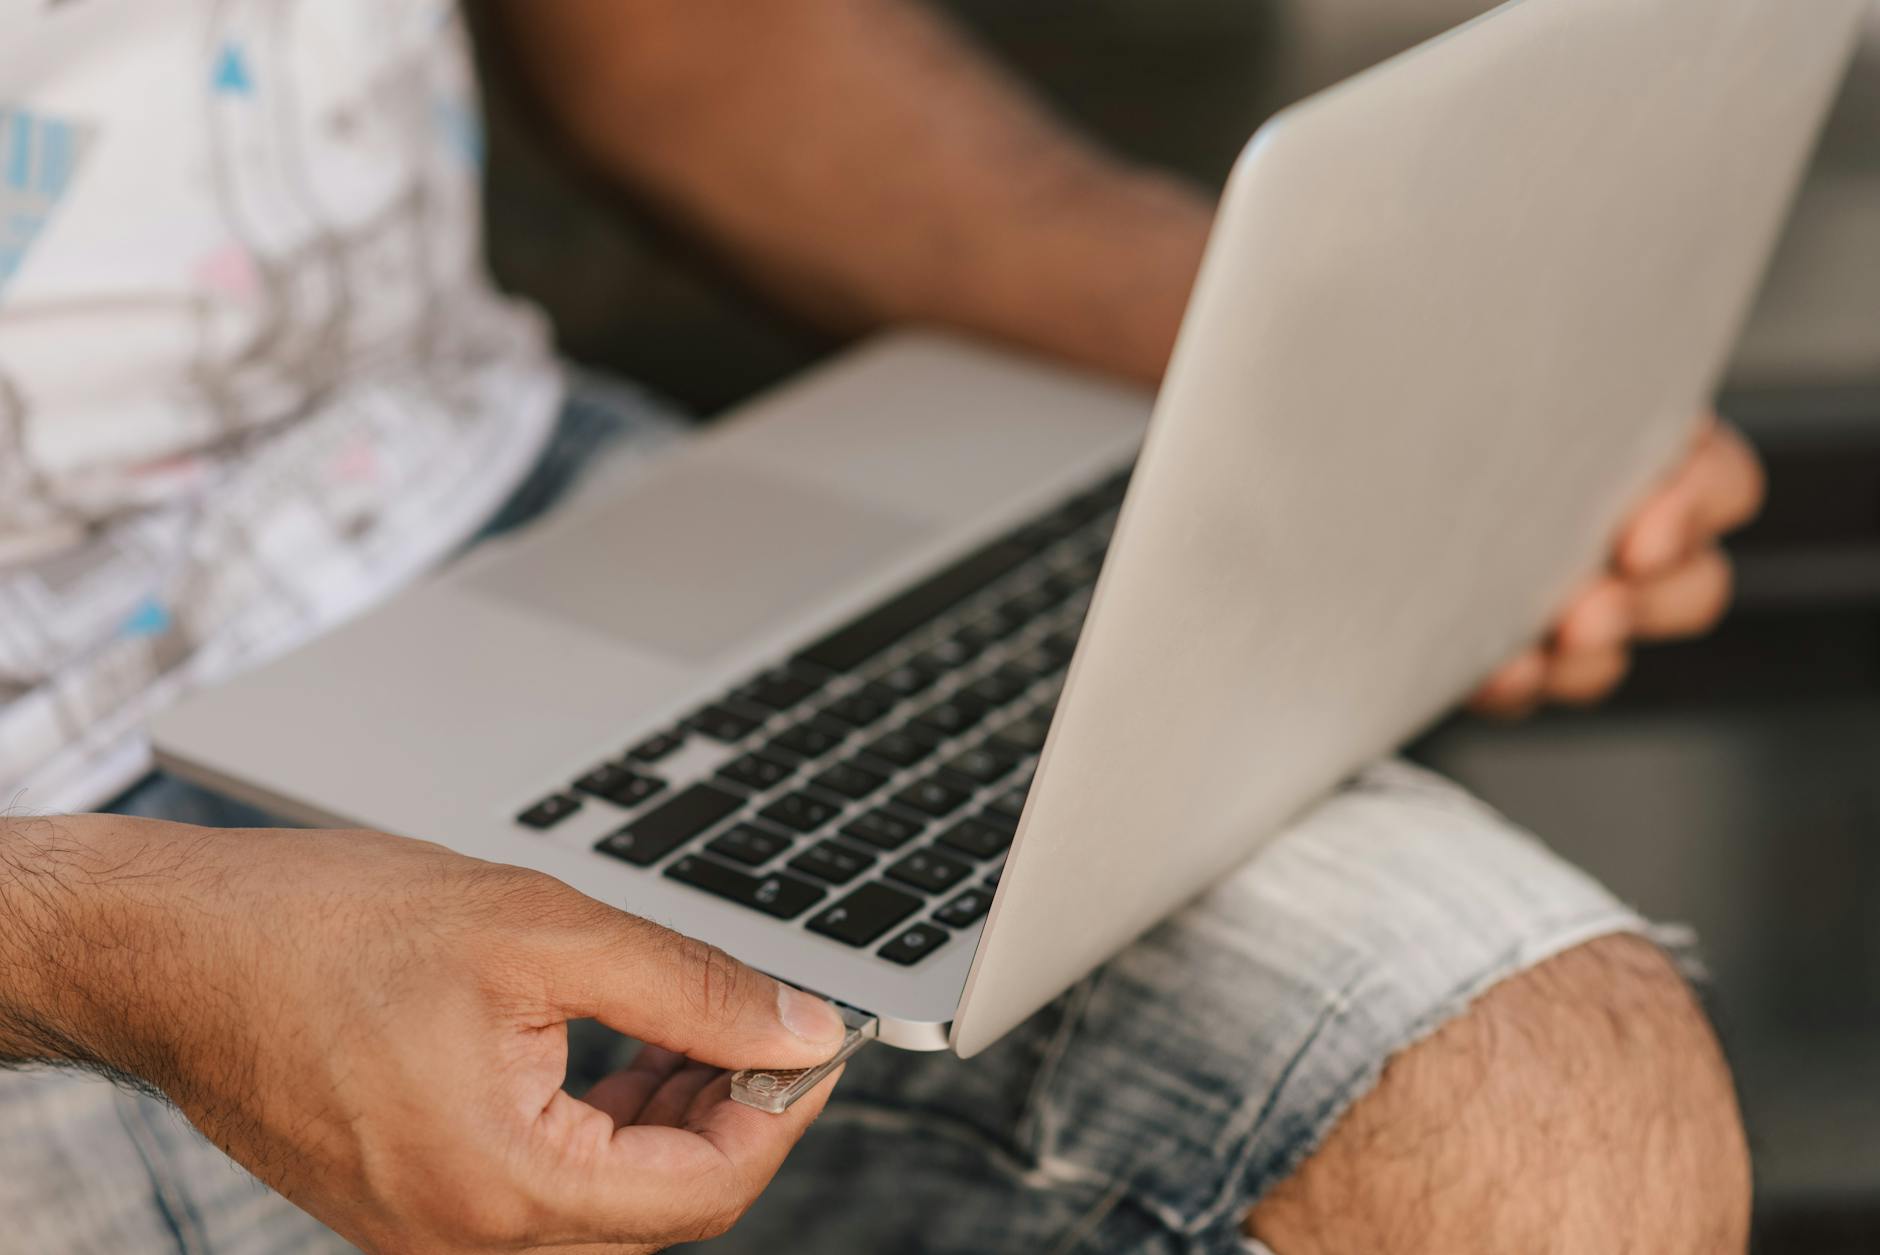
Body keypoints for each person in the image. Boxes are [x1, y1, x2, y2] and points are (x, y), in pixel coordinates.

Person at [0, 2, 1765, 1251]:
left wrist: (1293, 371)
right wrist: (99, 945)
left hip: (474, 489)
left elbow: (686, 40)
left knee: (1549, 1116)